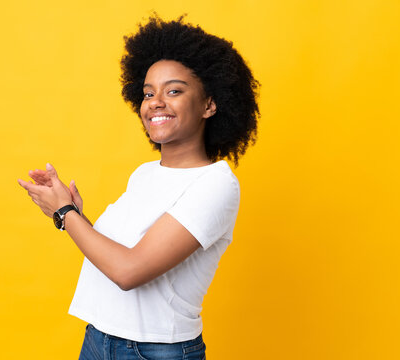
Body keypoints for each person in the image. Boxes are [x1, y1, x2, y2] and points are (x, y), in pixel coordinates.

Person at [18, 14, 260, 360]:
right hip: (99, 338)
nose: (155, 102)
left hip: (153, 351)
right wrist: (72, 214)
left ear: (210, 104)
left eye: (174, 90)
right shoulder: (145, 173)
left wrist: (65, 212)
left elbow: (129, 271)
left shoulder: (216, 185)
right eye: (148, 93)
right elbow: (117, 253)